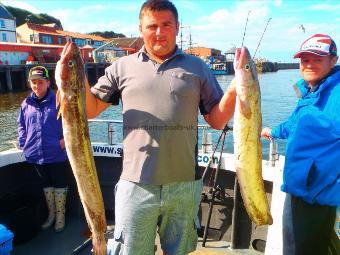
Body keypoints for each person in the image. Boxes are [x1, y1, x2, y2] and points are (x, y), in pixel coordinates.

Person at [85, 1, 236, 254]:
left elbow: (217, 120)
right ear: (140, 29)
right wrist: (69, 82)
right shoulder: (121, 67)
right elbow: (90, 111)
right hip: (135, 183)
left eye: (166, 24)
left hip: (184, 184)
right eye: (151, 26)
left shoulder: (198, 67)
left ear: (177, 27)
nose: (158, 32)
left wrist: (236, 91)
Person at [261, 34, 339, 255]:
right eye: (305, 60)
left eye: (318, 59)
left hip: (315, 193)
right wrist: (271, 131)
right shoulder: (313, 91)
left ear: (333, 60)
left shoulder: (336, 93)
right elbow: (296, 123)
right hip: (305, 188)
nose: (310, 64)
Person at [17, 66, 69, 232]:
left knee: (59, 184)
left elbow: (71, 123)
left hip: (57, 153)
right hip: (35, 154)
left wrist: (64, 141)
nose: (37, 86)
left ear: (48, 82)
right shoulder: (26, 103)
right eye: (33, 82)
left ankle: (60, 217)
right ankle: (51, 215)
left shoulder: (59, 101)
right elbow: (21, 125)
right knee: (46, 185)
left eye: (40, 82)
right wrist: (23, 141)